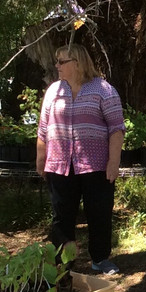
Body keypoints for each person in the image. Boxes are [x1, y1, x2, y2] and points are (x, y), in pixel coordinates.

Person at [36, 43, 126, 275]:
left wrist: (113, 162)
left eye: (61, 61)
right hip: (59, 164)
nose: (57, 66)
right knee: (62, 215)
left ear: (77, 63)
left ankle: (100, 258)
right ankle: (64, 263)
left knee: (99, 212)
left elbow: (116, 128)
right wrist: (40, 158)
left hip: (95, 164)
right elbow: (43, 128)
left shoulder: (103, 90)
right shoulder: (53, 91)